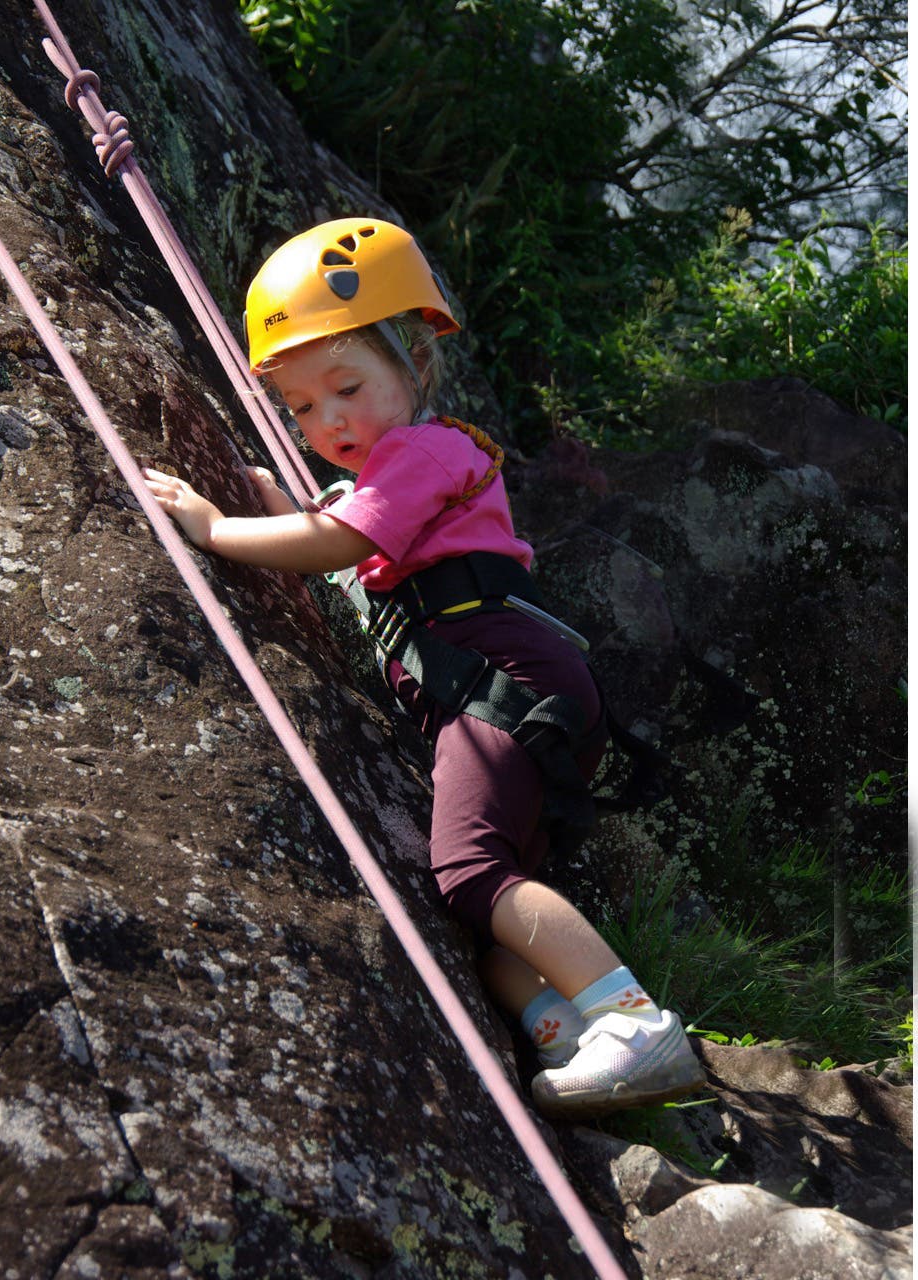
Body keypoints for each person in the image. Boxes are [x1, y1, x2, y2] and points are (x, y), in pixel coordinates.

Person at [143, 217, 705, 1118]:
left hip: (502, 678)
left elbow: (339, 539)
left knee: (471, 873)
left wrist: (216, 528)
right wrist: (277, 500)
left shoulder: (425, 447)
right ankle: (565, 1025)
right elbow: (351, 548)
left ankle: (632, 1025)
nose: (326, 419)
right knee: (484, 921)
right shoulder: (403, 466)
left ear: (414, 365)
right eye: (299, 406)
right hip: (497, 689)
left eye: (346, 387)